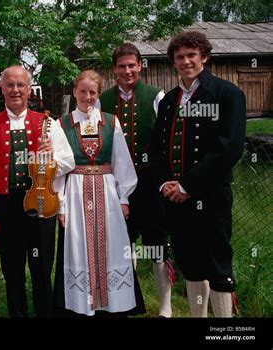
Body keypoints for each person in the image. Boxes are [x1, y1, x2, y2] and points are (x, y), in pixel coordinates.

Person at [150, 31, 246, 317]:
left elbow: (229, 148)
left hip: (210, 195)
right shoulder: (169, 101)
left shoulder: (227, 94)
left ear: (204, 57)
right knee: (190, 263)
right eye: (179, 57)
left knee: (217, 264)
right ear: (173, 62)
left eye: (192, 55)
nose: (186, 61)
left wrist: (188, 185)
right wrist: (166, 184)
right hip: (176, 198)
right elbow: (156, 147)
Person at [0, 65, 75, 317]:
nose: (15, 90)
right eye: (10, 85)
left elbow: (69, 162)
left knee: (41, 271)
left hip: (42, 203)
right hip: (7, 206)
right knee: (13, 272)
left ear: (29, 89)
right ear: (2, 89)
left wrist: (52, 157)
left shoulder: (48, 124)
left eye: (21, 85)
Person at [54, 70, 145, 317]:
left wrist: (124, 197)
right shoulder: (61, 124)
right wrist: (61, 205)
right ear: (74, 92)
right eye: (82, 91)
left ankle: (112, 304)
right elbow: (58, 168)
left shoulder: (111, 122)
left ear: (98, 93)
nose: (87, 96)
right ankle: (81, 304)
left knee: (112, 243)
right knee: (78, 245)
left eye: (92, 92)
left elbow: (122, 162)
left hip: (107, 193)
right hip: (75, 191)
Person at [98, 43, 173, 318]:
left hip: (149, 181)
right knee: (120, 243)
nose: (127, 71)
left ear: (140, 66)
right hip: (116, 184)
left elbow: (167, 139)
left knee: (156, 241)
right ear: (114, 69)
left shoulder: (157, 96)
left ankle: (165, 305)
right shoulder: (101, 100)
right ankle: (124, 299)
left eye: (132, 65)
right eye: (122, 66)